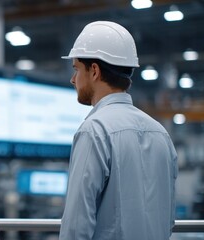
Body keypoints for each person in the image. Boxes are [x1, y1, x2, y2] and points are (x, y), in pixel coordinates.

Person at [59, 21, 178, 240]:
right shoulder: (161, 133)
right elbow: (168, 221)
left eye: (76, 69)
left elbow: (76, 226)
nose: (73, 79)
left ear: (94, 70)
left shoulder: (94, 131)